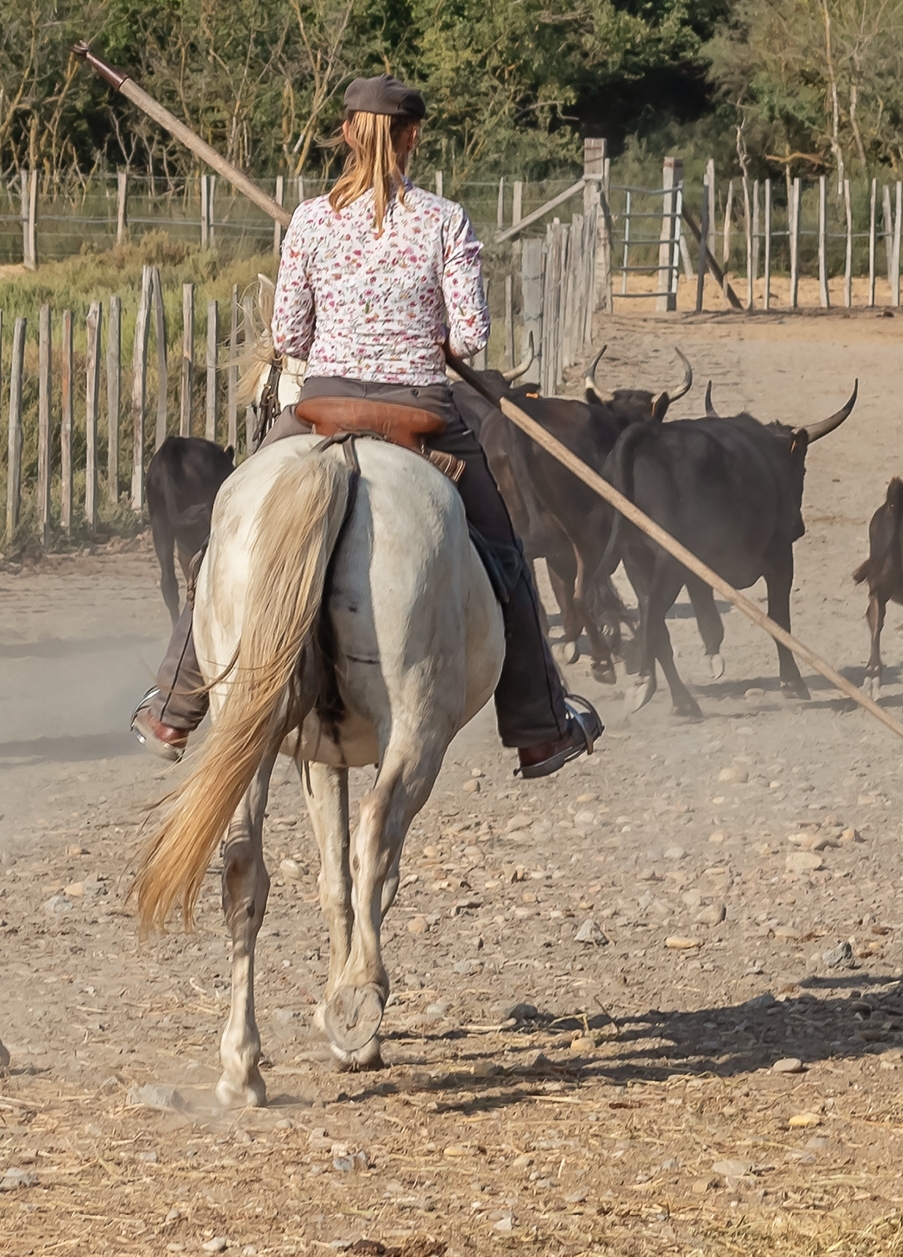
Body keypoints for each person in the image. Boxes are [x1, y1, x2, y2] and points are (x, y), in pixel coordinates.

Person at [133, 76, 603, 780]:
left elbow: (288, 331)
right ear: (413, 136)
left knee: (230, 530)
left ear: (348, 133)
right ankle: (540, 725)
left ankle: (172, 707)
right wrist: (427, 329)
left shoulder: (311, 220)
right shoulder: (446, 220)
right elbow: (471, 336)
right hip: (421, 409)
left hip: (318, 408)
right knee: (505, 553)